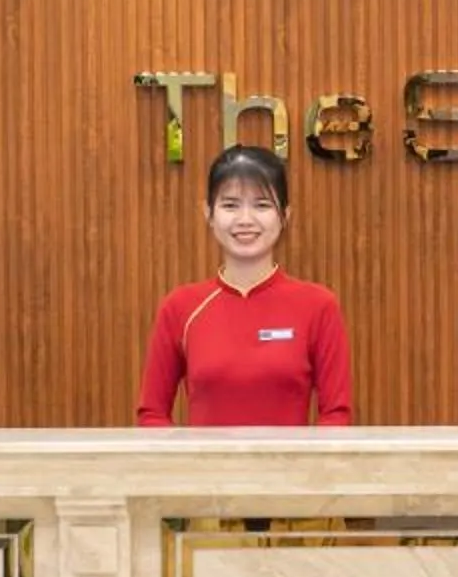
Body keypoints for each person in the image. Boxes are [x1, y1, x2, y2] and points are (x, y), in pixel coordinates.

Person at [137, 146, 353, 426]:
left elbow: (336, 414)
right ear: (208, 214)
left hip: (291, 470)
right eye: (230, 205)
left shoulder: (319, 306)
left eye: (262, 205)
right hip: (204, 470)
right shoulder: (180, 307)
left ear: (285, 215)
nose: (245, 220)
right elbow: (152, 414)